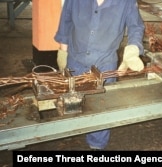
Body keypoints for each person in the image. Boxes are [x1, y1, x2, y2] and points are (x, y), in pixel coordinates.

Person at [54, 0, 145, 150]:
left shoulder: (126, 2)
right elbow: (66, 20)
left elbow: (136, 27)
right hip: (75, 60)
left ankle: (96, 145)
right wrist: (63, 51)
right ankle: (74, 129)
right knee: (72, 102)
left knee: (100, 108)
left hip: (105, 65)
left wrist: (133, 48)